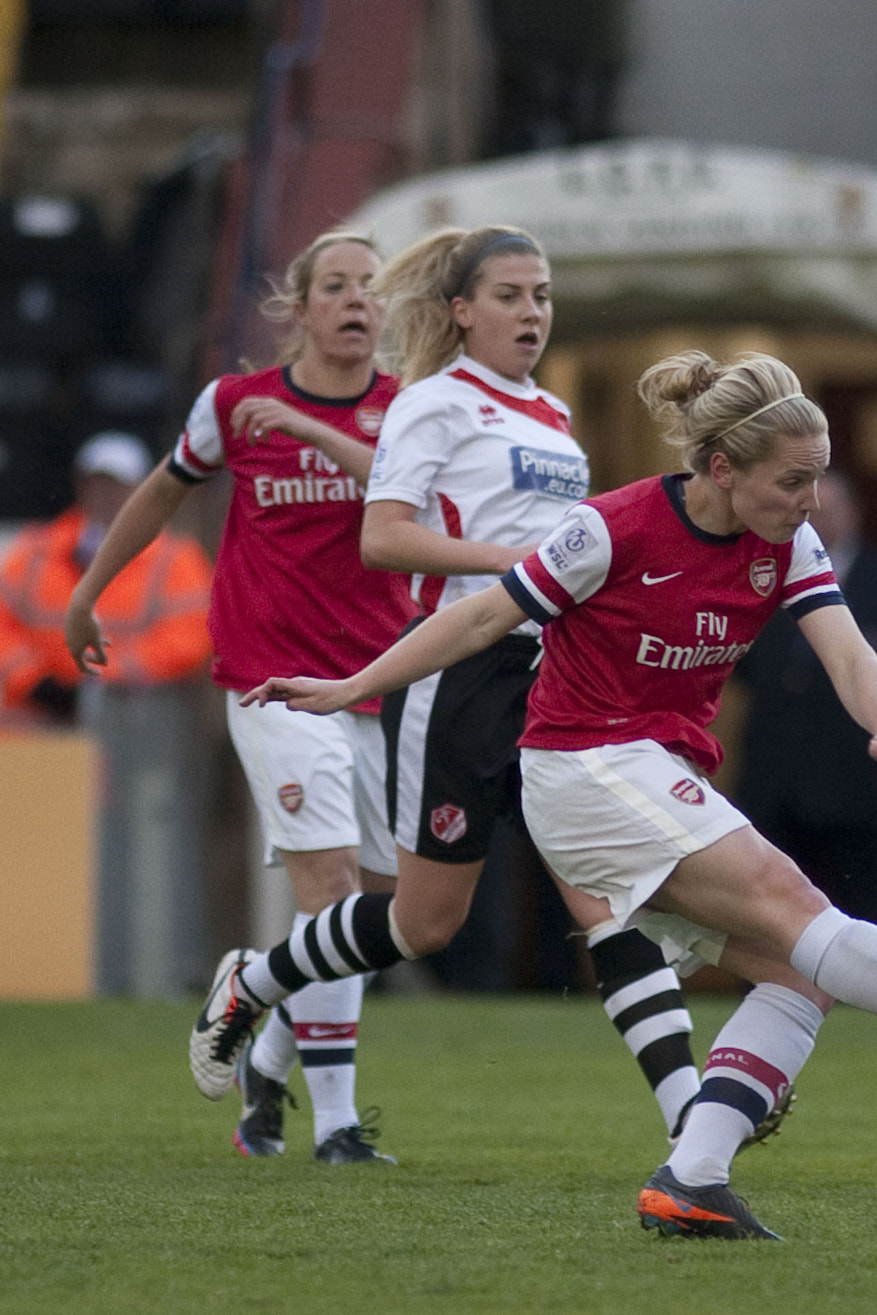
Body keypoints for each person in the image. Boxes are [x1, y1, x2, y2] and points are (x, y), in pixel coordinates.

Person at [223, 349, 877, 1240]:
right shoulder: (612, 529)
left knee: (798, 976)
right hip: (580, 767)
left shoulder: (787, 539)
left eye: (818, 477)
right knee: (794, 907)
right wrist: (346, 687)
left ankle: (693, 1175)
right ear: (722, 470)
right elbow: (482, 615)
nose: (811, 501)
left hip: (653, 770)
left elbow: (846, 650)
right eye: (793, 480)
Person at [182, 225, 722, 1151]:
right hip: (458, 674)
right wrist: (519, 565)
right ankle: (258, 983)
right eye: (510, 295)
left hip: (556, 680)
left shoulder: (552, 416)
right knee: (424, 922)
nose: (532, 312)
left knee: (606, 897)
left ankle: (695, 1120)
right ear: (462, 311)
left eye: (543, 295)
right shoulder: (430, 404)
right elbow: (383, 539)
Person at [65, 232, 410, 1163]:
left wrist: (312, 433)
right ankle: (337, 1125)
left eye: (371, 289)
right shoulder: (234, 403)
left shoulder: (407, 411)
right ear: (296, 308)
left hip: (378, 683)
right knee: (333, 887)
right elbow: (159, 493)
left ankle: (258, 1023)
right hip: (272, 682)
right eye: (335, 286)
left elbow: (407, 497)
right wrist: (88, 592)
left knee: (380, 913)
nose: (355, 302)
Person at [734, 468, 877, 934]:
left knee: (864, 903)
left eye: (829, 511)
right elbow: (744, 662)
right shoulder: (760, 575)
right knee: (769, 905)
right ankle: (771, 993)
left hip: (856, 778)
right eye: (810, 512)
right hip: (777, 776)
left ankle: (874, 995)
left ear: (856, 514)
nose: (818, 523)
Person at [2, 431, 210, 724]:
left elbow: (190, 639)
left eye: (117, 485)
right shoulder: (34, 552)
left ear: (142, 489)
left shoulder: (175, 558)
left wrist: (98, 681)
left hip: (134, 721)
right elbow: (4, 626)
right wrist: (35, 682)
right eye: (96, 483)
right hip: (38, 724)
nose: (106, 494)